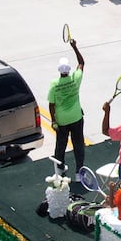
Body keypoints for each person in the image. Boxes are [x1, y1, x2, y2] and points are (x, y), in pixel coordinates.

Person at [48, 40, 86, 172]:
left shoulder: (54, 84)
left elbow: (52, 105)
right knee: (78, 145)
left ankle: (60, 169)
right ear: (69, 70)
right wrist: (74, 46)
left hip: (62, 121)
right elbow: (81, 63)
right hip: (76, 117)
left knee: (61, 145)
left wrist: (53, 121)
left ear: (59, 70)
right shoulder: (75, 79)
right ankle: (79, 171)